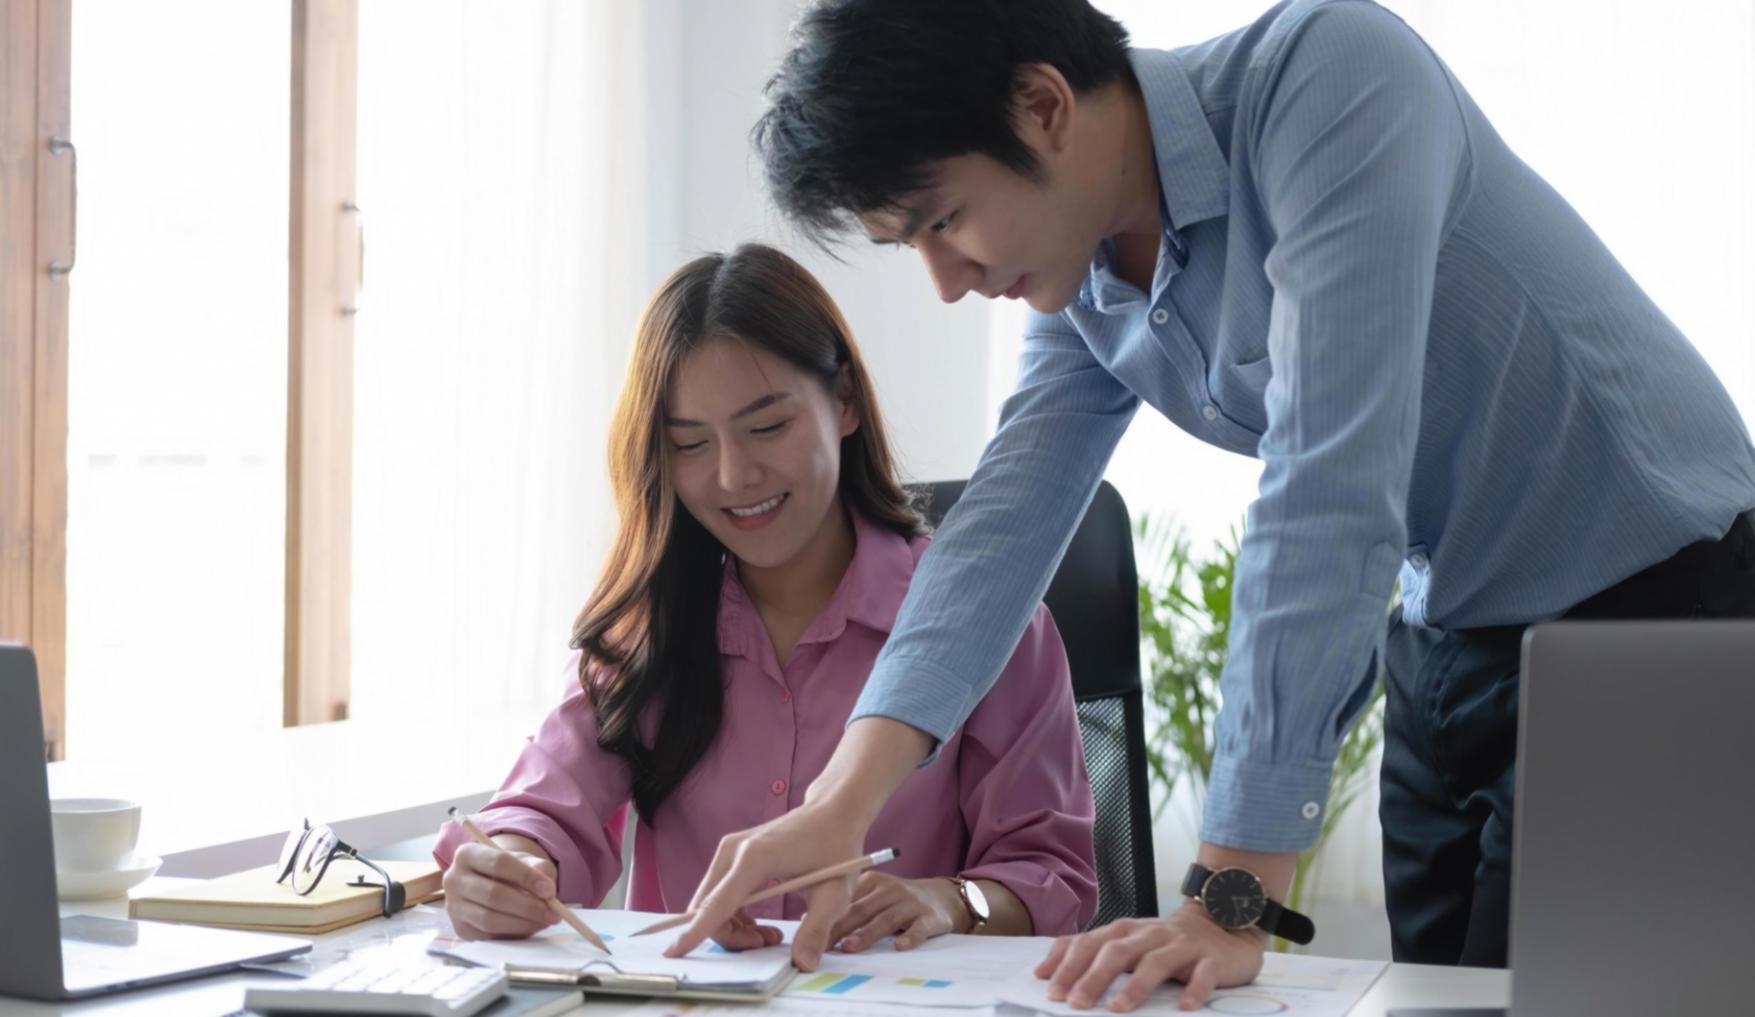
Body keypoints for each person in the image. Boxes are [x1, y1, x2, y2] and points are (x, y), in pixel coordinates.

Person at [672, 0, 1755, 1010]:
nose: (945, 281)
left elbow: (1328, 486)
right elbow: (1000, 532)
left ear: (1044, 106)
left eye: (943, 220)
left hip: (1657, 607)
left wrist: (1230, 893)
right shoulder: (1088, 277)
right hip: (1448, 630)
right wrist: (839, 804)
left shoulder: (1333, 78)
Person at [432, 243, 1098, 954]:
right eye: (689, 444)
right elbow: (544, 809)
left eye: (767, 427)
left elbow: (1050, 875)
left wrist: (949, 901)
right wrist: (511, 864)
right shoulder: (645, 629)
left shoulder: (986, 623)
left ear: (843, 401)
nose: (732, 475)